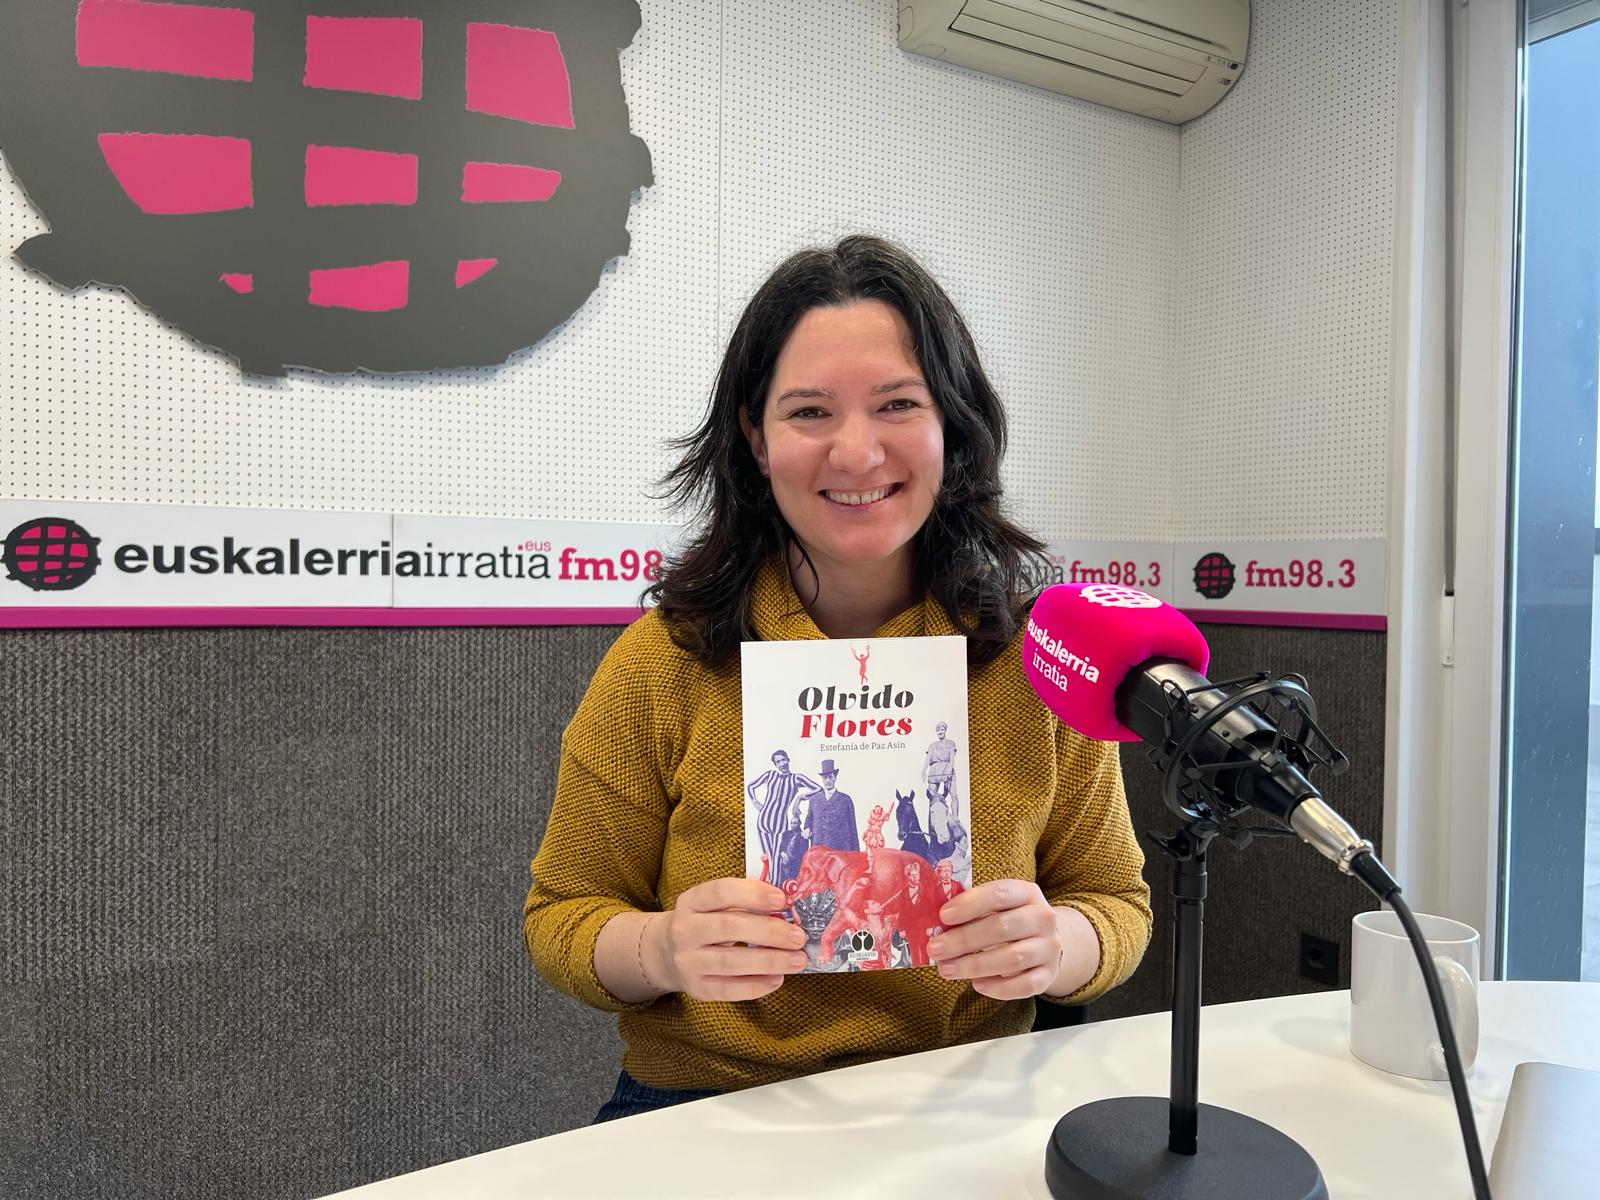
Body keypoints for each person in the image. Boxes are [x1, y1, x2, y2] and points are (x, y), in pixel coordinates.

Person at [523, 235, 1153, 1122]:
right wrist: (661, 950)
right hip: (708, 1099)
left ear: (952, 424)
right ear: (756, 437)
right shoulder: (665, 662)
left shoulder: (1036, 659)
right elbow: (562, 916)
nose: (857, 454)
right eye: (810, 412)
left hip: (965, 1098)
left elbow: (1117, 903)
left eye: (897, 404)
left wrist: (1058, 945)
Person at [745, 749, 819, 884]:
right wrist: (756, 803)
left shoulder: (796, 778)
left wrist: (800, 798)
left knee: (777, 857)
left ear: (788, 760)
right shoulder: (770, 775)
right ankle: (769, 887)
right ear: (775, 764)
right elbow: (750, 786)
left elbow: (818, 789)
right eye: (778, 761)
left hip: (780, 823)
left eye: (784, 760)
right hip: (763, 821)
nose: (782, 763)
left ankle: (776, 887)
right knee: (768, 857)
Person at [796, 758, 858, 853]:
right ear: (822, 779)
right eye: (825, 778)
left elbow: (852, 829)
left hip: (840, 849)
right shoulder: (814, 800)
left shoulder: (845, 800)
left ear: (835, 778)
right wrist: (807, 828)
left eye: (830, 777)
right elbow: (809, 819)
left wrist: (856, 854)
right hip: (820, 847)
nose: (828, 780)